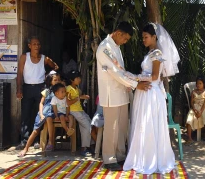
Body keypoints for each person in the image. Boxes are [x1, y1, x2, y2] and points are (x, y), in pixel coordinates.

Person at [123, 23, 179, 174]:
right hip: (144, 92)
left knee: (149, 124)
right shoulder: (150, 53)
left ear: (154, 37)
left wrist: (135, 77)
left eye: (146, 37)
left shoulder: (157, 54)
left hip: (151, 94)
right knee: (142, 124)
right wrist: (136, 81)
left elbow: (155, 77)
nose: (143, 40)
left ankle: (152, 159)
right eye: (142, 37)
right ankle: (142, 157)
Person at [96, 21, 151, 171]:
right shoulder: (104, 48)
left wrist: (132, 81)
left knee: (121, 126)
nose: (125, 42)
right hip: (110, 93)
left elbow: (121, 70)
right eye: (125, 38)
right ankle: (109, 158)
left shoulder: (116, 47)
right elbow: (114, 72)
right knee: (111, 128)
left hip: (121, 91)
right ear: (119, 33)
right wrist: (134, 85)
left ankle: (120, 156)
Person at [16, 36, 59, 148]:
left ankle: (36, 140)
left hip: (40, 88)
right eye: (34, 44)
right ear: (29, 46)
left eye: (38, 44)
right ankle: (24, 140)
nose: (37, 46)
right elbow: (19, 74)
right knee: (25, 113)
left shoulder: (44, 58)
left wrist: (48, 77)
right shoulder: (24, 57)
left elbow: (55, 66)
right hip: (27, 87)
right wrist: (19, 89)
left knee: (38, 113)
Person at [17, 71, 60, 157]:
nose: (57, 81)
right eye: (55, 80)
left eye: (58, 80)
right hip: (43, 112)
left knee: (49, 118)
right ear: (50, 81)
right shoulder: (46, 91)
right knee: (35, 131)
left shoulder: (59, 91)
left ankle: (51, 141)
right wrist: (41, 114)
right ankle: (26, 148)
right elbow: (41, 103)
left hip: (52, 112)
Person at [66, 70, 96, 156]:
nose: (79, 79)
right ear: (72, 80)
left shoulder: (77, 89)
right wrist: (80, 97)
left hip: (80, 111)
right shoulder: (68, 89)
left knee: (88, 126)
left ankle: (88, 146)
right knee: (87, 126)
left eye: (79, 78)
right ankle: (85, 148)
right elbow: (68, 102)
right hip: (74, 111)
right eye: (77, 78)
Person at [185, 76, 205, 145]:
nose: (198, 85)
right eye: (197, 83)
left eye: (200, 83)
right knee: (189, 120)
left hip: (204, 108)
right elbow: (191, 102)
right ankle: (189, 138)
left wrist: (201, 111)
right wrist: (194, 110)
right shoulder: (193, 92)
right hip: (195, 107)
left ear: (204, 84)